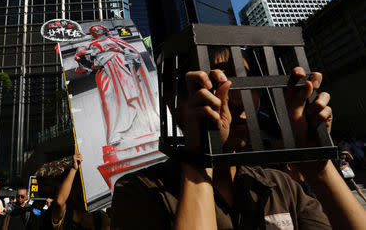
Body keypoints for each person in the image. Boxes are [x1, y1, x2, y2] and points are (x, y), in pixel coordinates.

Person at [111, 48, 366, 230]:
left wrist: (318, 167)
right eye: (222, 80)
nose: (243, 95)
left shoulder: (280, 186)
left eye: (248, 81)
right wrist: (199, 160)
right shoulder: (140, 190)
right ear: (179, 102)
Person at [74, 24, 159, 145]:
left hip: (120, 64)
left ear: (104, 30)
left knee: (131, 93)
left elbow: (134, 54)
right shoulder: (88, 45)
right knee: (108, 97)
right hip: (103, 69)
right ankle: (116, 131)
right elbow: (80, 57)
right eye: (93, 30)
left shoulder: (115, 40)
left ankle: (143, 124)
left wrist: (133, 56)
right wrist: (88, 54)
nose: (95, 30)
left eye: (98, 28)